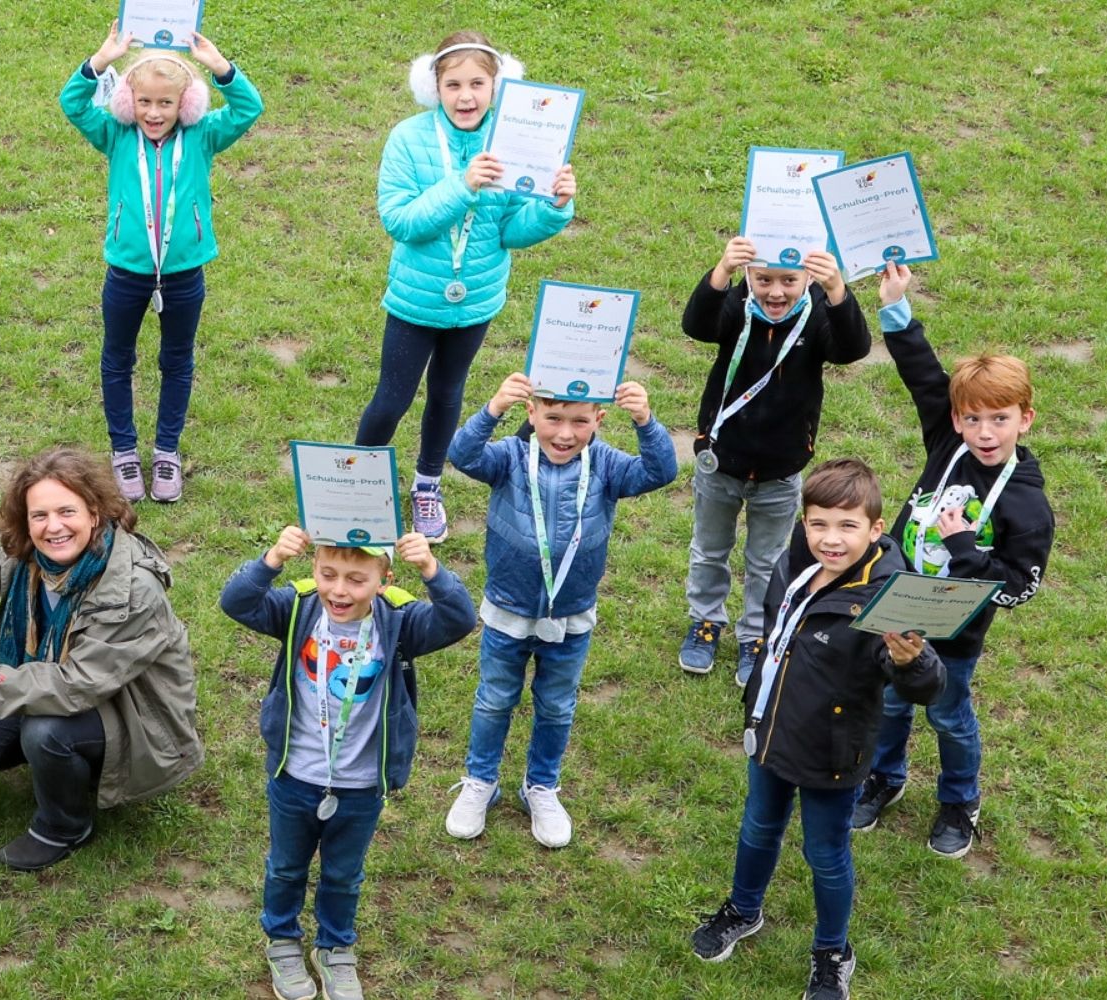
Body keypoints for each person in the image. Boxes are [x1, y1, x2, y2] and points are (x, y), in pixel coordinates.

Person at [687, 459, 943, 1000]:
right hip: (772, 733)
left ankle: (832, 953)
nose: (831, 538)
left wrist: (912, 661)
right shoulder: (792, 564)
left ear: (876, 530)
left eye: (848, 526)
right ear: (804, 523)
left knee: (825, 854)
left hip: (833, 754)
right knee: (758, 829)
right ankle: (743, 908)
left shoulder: (886, 600)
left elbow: (927, 687)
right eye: (819, 523)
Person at [0, 447, 202, 871]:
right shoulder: (35, 559)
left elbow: (75, 684)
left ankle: (64, 826)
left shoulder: (132, 590)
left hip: (138, 721)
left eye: (67, 512)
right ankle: (62, 766)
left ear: (95, 513)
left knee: (46, 731)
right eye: (39, 515)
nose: (53, 527)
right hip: (75, 691)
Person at [849, 264, 1052, 859]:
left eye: (999, 419)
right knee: (887, 703)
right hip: (897, 609)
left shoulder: (1027, 505)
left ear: (1025, 418)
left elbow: (1018, 588)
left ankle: (960, 798)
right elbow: (920, 373)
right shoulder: (950, 441)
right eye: (972, 418)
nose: (983, 432)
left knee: (948, 716)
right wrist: (895, 307)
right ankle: (885, 778)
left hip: (956, 635)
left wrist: (966, 551)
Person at [220, 527, 474, 1000]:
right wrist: (273, 557)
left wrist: (431, 570)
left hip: (359, 787)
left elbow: (459, 620)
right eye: (328, 574)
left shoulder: (399, 623)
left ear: (384, 578)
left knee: (343, 874)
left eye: (357, 580)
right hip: (294, 777)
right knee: (285, 867)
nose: (340, 590)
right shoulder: (298, 609)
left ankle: (334, 947)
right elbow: (237, 602)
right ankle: (281, 939)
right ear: (313, 569)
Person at [356, 31, 579, 539]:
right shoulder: (409, 138)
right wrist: (463, 186)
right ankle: (358, 485)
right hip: (415, 300)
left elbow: (511, 231)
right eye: (453, 84)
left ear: (497, 85)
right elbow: (401, 221)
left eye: (478, 83)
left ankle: (427, 484)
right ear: (434, 86)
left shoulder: (516, 139)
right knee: (391, 399)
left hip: (476, 300)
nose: (466, 96)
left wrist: (554, 207)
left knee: (448, 393)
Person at [443, 374, 676, 847]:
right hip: (508, 611)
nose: (565, 434)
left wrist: (646, 421)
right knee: (494, 699)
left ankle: (542, 786)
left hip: (571, 616)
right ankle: (480, 782)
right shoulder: (509, 456)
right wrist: (491, 409)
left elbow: (661, 473)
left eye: (579, 421)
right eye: (552, 418)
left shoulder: (607, 465)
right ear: (531, 414)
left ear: (598, 420)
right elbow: (461, 455)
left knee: (556, 706)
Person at [59, 22, 263, 503]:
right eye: (145, 102)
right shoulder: (114, 134)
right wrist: (101, 61)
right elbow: (72, 104)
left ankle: (166, 450)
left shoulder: (203, 136)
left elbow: (249, 108)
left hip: (183, 274)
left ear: (185, 105)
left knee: (177, 361)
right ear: (130, 103)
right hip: (126, 273)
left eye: (166, 103)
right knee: (117, 359)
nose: (154, 112)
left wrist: (220, 69)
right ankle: (124, 450)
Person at [676, 237, 871, 682]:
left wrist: (838, 291)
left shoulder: (817, 313)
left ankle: (756, 634)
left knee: (767, 559)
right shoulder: (737, 306)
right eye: (764, 280)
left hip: (781, 470)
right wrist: (721, 272)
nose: (776, 292)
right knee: (709, 550)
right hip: (720, 462)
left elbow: (851, 349)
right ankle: (705, 621)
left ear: (809, 279)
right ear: (749, 276)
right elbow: (697, 325)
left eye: (789, 280)